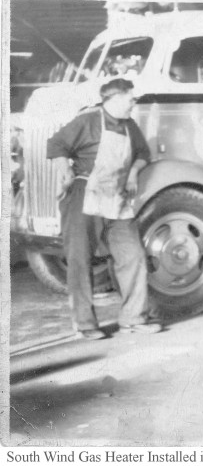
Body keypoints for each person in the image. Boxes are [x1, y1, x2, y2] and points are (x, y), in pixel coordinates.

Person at [47, 78, 161, 339]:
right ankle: (85, 325)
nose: (133, 104)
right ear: (115, 98)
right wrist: (65, 172)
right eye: (130, 99)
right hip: (85, 196)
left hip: (117, 199)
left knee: (133, 256)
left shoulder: (130, 126)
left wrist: (133, 173)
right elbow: (56, 145)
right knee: (80, 260)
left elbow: (143, 153)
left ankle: (134, 319)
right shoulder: (87, 121)